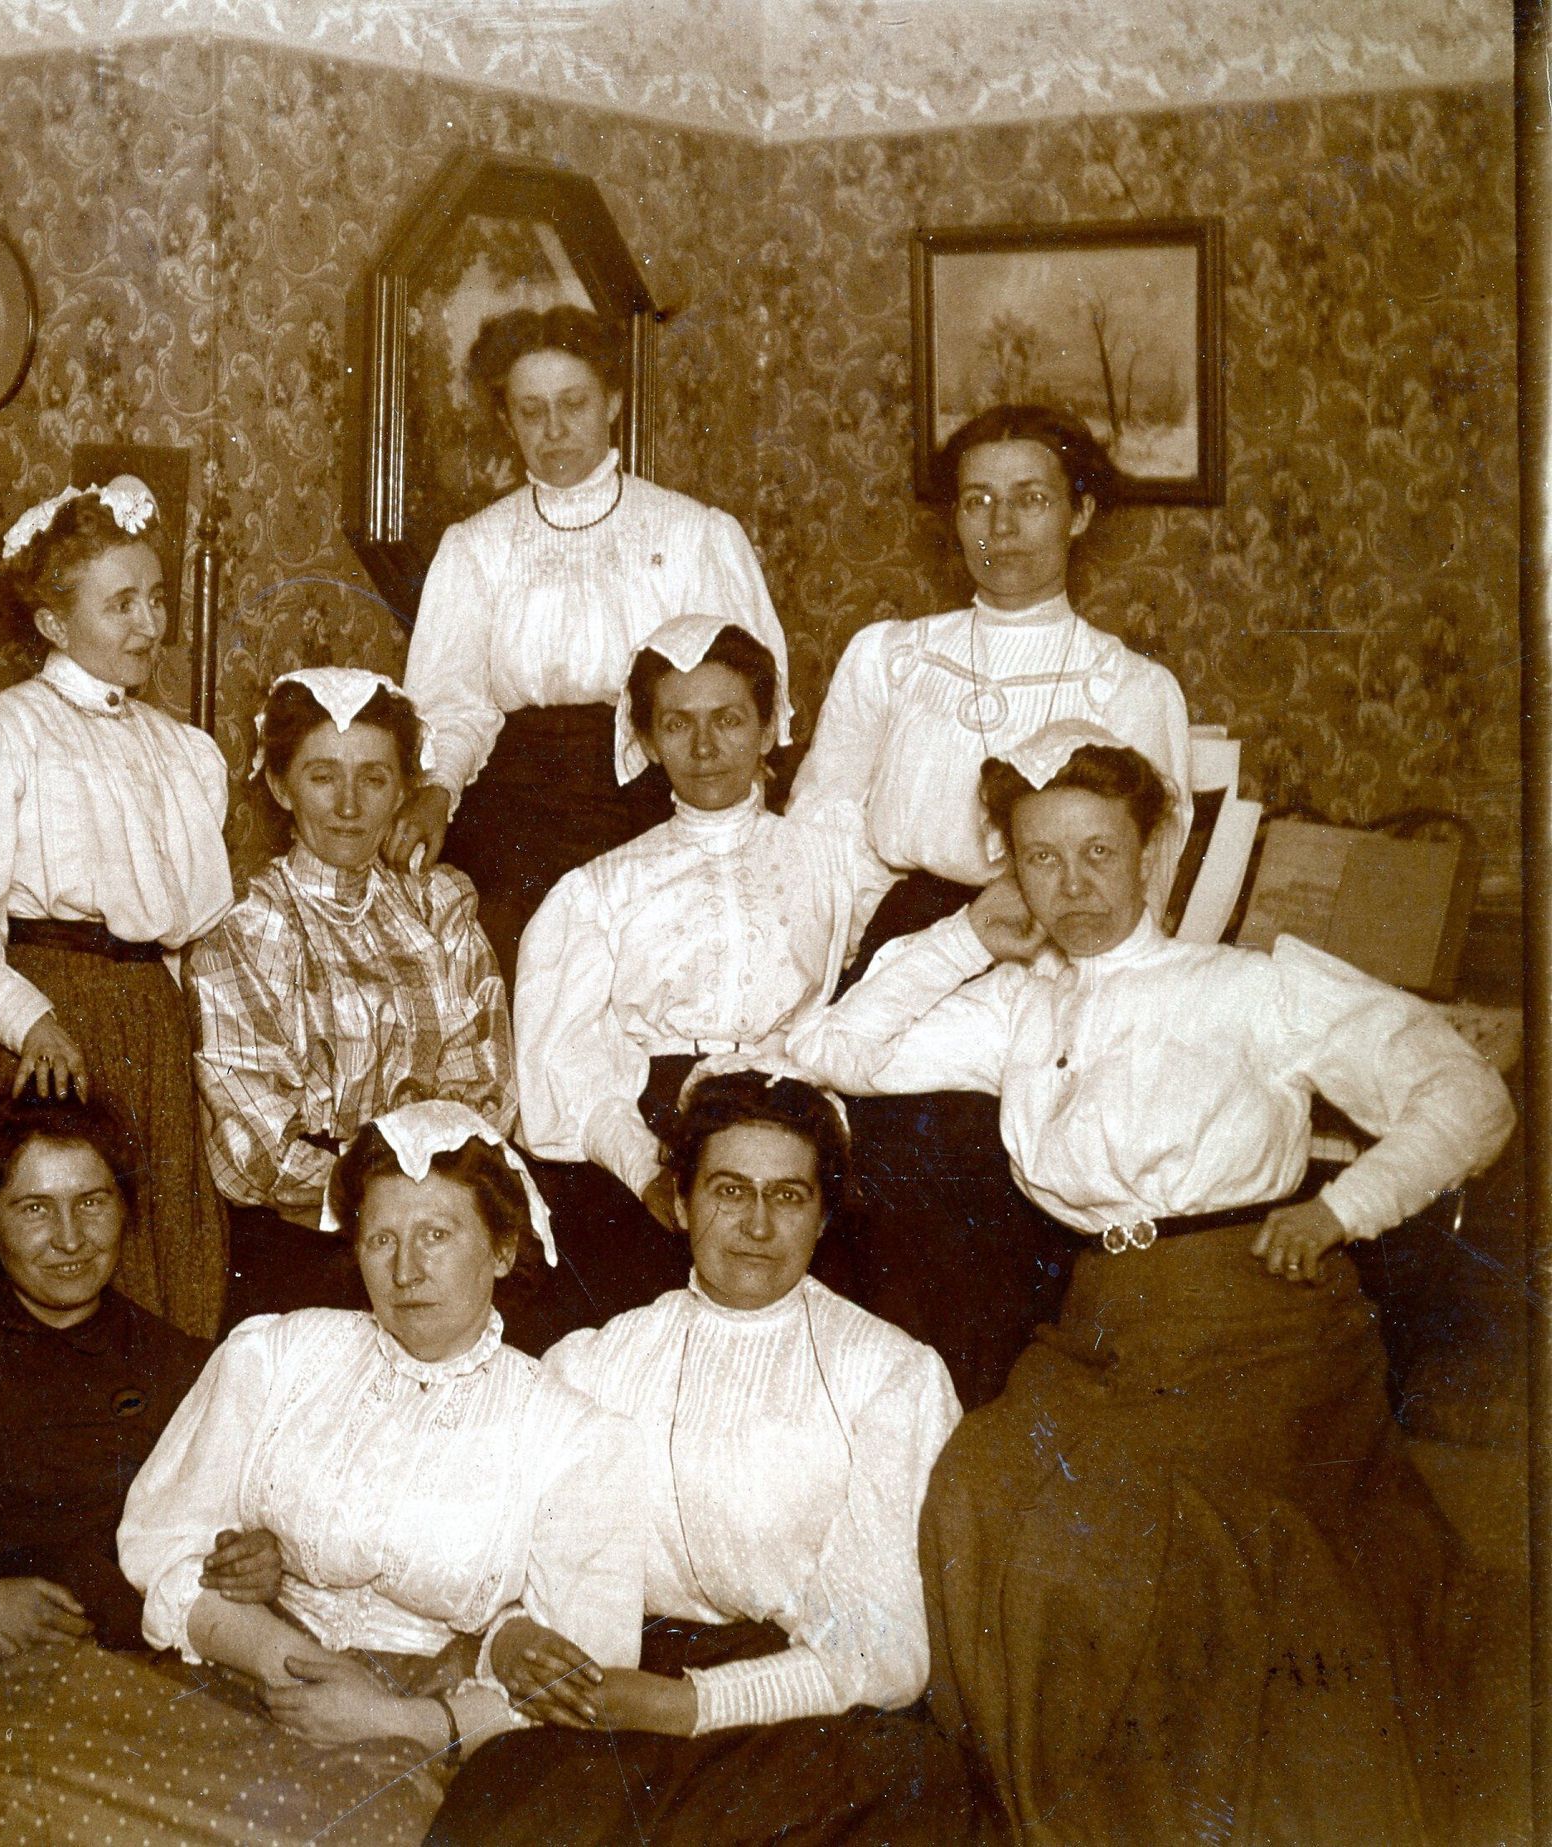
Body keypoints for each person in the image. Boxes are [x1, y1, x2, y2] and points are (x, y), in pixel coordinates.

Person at [786, 721, 1516, 1846]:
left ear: (1152, 853)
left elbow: (1469, 1094)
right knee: (978, 1485)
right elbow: (834, 1049)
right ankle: (1069, 1816)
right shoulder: (1022, 1008)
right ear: (1010, 867)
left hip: (1257, 1317)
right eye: (1040, 858)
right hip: (1100, 1332)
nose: (1071, 885)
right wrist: (969, 933)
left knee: (1124, 1537)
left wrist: (1343, 1207)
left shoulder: (1249, 987)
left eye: (1098, 852)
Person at [0, 1101, 647, 1845]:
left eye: (436, 1235)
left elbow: (582, 1683)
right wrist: (285, 1659)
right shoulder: (279, 1355)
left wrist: (403, 1719)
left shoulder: (575, 1437)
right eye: (382, 1239)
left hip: (413, 1732)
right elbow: (164, 1543)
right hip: (242, 1666)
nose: (406, 1270)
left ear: (502, 1248)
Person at [427, 1069, 977, 1847]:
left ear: (823, 1215)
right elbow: (492, 1561)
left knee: (914, 1785)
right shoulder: (591, 1364)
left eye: (788, 1195)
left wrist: (676, 1705)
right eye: (729, 1189)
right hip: (605, 1690)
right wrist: (512, 1639)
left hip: (801, 1712)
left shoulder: (891, 1375)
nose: (757, 1223)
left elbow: (884, 1649)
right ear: (682, 1202)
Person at [782, 407, 1193, 1401]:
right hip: (902, 940)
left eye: (1030, 499)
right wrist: (812, 987)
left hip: (1055, 951)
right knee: (871, 1148)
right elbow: (825, 836)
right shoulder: (891, 656)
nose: (1001, 526)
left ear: (1081, 512)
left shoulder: (1132, 686)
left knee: (1009, 1159)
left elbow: (1151, 873)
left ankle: (983, 1417)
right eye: (977, 501)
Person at [0, 1097, 276, 1824]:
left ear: (126, 1210)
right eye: (34, 1208)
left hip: (109, 1664)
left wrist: (252, 1557)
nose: (70, 1238)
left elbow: (222, 1524)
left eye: (92, 1201)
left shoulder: (179, 1365)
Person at [0, 477, 234, 1336]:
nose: (149, 624)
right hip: (34, 1042)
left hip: (149, 1037)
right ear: (52, 622)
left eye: (156, 599)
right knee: (31, 1296)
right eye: (121, 604)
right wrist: (30, 1020)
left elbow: (189, 940)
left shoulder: (182, 754)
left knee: (161, 1288)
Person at [513, 616, 891, 1327]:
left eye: (729, 719)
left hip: (798, 1110)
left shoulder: (832, 862)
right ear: (649, 739)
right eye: (678, 724)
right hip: (653, 1124)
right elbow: (566, 1064)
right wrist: (646, 1172)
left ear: (768, 726)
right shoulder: (597, 890)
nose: (706, 747)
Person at [392, 305, 791, 974]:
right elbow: (453, 705)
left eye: (573, 404)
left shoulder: (691, 533)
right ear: (507, 421)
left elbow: (749, 701)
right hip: (516, 806)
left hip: (653, 794)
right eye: (530, 411)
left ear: (611, 401)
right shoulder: (476, 547)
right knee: (516, 952)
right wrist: (436, 791)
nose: (553, 430)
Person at [188, 668, 515, 1331]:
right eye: (322, 776)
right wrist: (385, 1201)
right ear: (280, 785)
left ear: (404, 789)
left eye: (373, 778)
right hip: (306, 1245)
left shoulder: (440, 905)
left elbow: (485, 1085)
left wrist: (419, 1209)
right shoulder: (247, 928)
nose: (348, 805)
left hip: (439, 1228)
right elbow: (254, 1147)